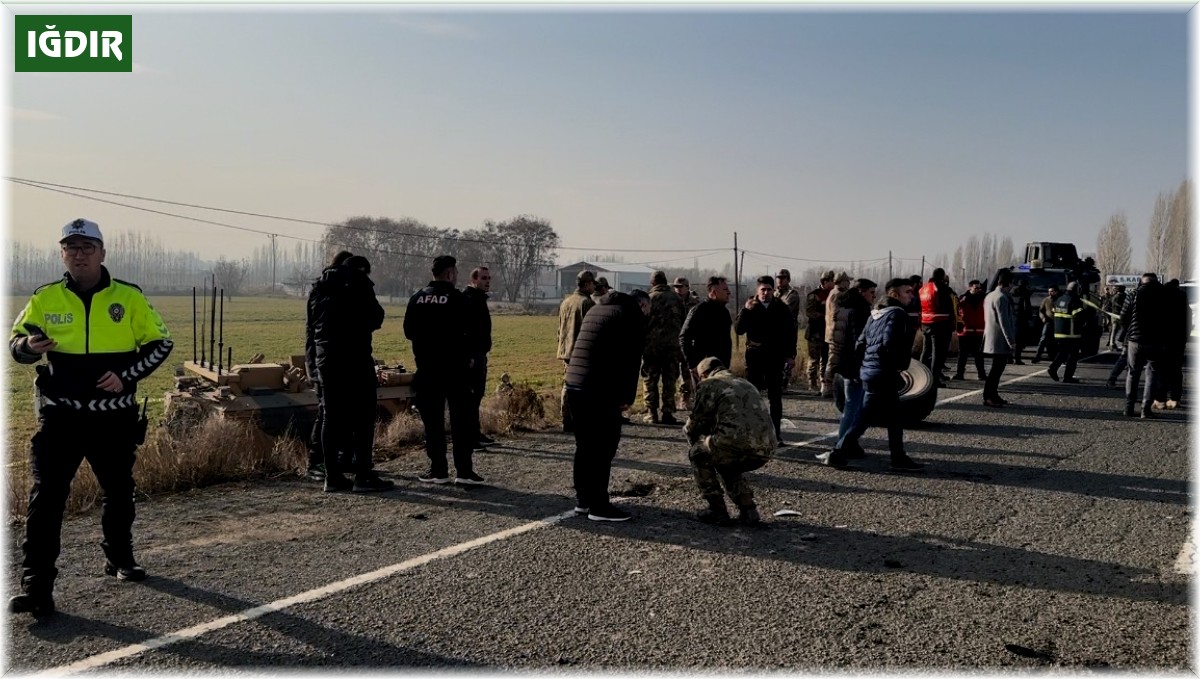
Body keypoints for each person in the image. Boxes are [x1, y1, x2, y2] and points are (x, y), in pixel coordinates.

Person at [9, 218, 174, 616]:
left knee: (119, 491)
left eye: (87, 247)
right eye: (71, 248)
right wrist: (30, 345)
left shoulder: (129, 298)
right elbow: (16, 344)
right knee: (46, 498)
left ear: (102, 253)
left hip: (112, 420)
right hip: (60, 419)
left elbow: (160, 342)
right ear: (63, 254)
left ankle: (119, 556)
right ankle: (36, 586)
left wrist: (126, 376)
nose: (79, 255)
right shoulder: (46, 298)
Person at [565, 289, 650, 522]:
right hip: (599, 389)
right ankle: (599, 507)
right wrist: (627, 398)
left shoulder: (597, 309)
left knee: (585, 446)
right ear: (642, 306)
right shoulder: (631, 316)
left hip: (574, 384)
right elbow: (631, 360)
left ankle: (583, 501)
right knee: (603, 448)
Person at [310, 255, 393, 493]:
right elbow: (376, 318)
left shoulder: (320, 287)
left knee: (331, 417)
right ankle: (363, 476)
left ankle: (332, 477)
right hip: (355, 359)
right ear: (362, 270)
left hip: (326, 360)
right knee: (364, 417)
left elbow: (313, 325)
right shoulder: (360, 283)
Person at [405, 255, 483, 485]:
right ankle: (464, 471)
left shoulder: (417, 298)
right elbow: (472, 332)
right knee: (461, 421)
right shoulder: (458, 299)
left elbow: (409, 331)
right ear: (449, 274)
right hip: (456, 370)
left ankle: (438, 469)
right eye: (456, 273)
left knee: (433, 423)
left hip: (427, 370)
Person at [836, 278, 925, 472]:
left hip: (871, 372)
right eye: (907, 291)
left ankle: (898, 457)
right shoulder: (898, 314)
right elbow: (890, 343)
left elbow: (860, 344)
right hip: (884, 373)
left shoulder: (875, 315)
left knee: (891, 417)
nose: (912, 294)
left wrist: (865, 366)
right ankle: (839, 452)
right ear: (895, 294)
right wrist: (900, 365)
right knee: (867, 418)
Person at [684, 357, 776, 527]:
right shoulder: (744, 383)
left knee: (699, 454)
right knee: (724, 457)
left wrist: (694, 442)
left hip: (738, 445)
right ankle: (748, 509)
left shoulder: (709, 384)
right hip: (766, 448)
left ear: (703, 374)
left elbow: (694, 424)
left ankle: (717, 511)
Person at [816, 278, 877, 468]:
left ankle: (846, 442)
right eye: (871, 293)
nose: (873, 296)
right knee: (855, 407)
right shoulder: (860, 310)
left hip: (842, 362)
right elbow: (860, 340)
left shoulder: (841, 306)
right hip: (855, 364)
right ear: (861, 292)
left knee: (851, 405)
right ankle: (844, 443)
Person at [304, 249, 354, 482]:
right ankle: (317, 462)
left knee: (335, 413)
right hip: (322, 360)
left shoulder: (321, 288)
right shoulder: (328, 290)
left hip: (319, 359)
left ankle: (336, 459)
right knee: (326, 413)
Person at [736, 276, 798, 441]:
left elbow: (791, 333)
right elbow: (738, 330)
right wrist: (745, 311)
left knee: (775, 397)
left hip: (775, 356)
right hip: (754, 356)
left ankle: (775, 433)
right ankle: (753, 432)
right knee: (753, 395)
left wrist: (790, 355)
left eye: (769, 289)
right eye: (762, 289)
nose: (766, 292)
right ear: (757, 291)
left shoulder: (781, 308)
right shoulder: (751, 306)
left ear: (773, 290)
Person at [1119, 273, 1167, 418]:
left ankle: (1129, 407)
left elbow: (1123, 317)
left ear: (1141, 282)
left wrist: (1129, 331)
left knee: (1133, 373)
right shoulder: (1164, 296)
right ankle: (1146, 409)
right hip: (1156, 340)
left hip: (1135, 340)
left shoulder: (1133, 294)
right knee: (1152, 373)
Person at [641, 271, 685, 424]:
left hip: (651, 348)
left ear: (653, 283)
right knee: (669, 381)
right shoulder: (677, 299)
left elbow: (642, 323)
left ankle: (651, 412)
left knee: (650, 380)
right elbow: (684, 322)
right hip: (672, 347)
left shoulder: (648, 299)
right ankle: (667, 413)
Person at [680, 276, 733, 395]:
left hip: (722, 367)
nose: (729, 292)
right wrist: (692, 364)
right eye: (725, 289)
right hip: (703, 368)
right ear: (714, 292)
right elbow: (684, 337)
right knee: (704, 403)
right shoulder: (699, 310)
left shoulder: (724, 312)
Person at [557, 270, 596, 432]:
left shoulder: (566, 301)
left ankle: (566, 419)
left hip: (567, 350)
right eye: (592, 283)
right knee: (585, 387)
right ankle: (581, 419)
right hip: (581, 351)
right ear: (587, 284)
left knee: (568, 385)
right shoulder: (586, 303)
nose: (594, 286)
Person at [464, 266, 494, 448]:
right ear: (474, 280)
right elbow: (465, 330)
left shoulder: (479, 299)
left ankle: (475, 433)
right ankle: (470, 436)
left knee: (477, 395)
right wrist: (468, 355)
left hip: (480, 353)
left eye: (489, 278)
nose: (487, 281)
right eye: (483, 278)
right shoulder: (469, 299)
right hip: (472, 356)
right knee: (470, 397)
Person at [982, 271, 1017, 407]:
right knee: (996, 371)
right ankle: (988, 396)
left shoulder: (990, 295)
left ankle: (993, 394)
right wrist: (1011, 341)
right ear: (1008, 283)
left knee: (996, 369)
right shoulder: (1002, 298)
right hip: (1000, 339)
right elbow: (1005, 322)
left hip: (991, 337)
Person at [1048, 281, 1095, 384]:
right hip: (1071, 333)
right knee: (1073, 356)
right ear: (1077, 290)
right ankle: (1067, 377)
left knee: (1063, 352)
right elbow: (1078, 317)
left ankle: (1053, 368)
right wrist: (1088, 312)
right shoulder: (1074, 300)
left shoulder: (1059, 299)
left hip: (1059, 332)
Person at [918, 268, 955, 386]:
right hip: (940, 324)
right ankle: (934, 380)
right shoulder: (942, 288)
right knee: (937, 354)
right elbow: (951, 304)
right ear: (943, 276)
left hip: (925, 323)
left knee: (925, 351)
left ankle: (921, 376)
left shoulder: (923, 288)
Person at [1158, 279, 1191, 409]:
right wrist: (1185, 336)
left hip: (1161, 338)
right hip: (1178, 339)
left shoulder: (1160, 296)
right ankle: (1175, 398)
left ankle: (1160, 399)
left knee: (1160, 369)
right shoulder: (1182, 296)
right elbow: (1188, 318)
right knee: (1176, 370)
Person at [804, 270, 836, 395]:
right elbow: (809, 312)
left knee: (826, 359)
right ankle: (812, 384)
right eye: (832, 281)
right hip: (815, 333)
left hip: (827, 333)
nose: (834, 283)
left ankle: (825, 384)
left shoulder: (834, 295)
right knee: (814, 360)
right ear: (825, 281)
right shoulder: (814, 295)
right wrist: (826, 316)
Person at [672, 277, 701, 409]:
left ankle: (685, 399)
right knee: (672, 372)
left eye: (680, 286)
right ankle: (670, 399)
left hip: (688, 341)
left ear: (687, 287)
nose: (677, 289)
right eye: (676, 287)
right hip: (673, 339)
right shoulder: (671, 301)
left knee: (686, 372)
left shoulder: (695, 302)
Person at [953, 279, 987, 381]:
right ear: (970, 287)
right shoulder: (962, 299)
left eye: (979, 288)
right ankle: (959, 374)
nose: (978, 290)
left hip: (979, 331)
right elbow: (957, 313)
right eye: (976, 288)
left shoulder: (984, 299)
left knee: (979, 355)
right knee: (962, 354)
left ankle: (981, 374)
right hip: (965, 331)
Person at [1032, 284, 1060, 363]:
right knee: (1043, 340)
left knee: (1058, 341)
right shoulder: (1046, 300)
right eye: (1049, 291)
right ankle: (1037, 357)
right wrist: (1043, 318)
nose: (1050, 293)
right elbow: (1041, 310)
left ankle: (1057, 357)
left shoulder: (1060, 300)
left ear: (1056, 292)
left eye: (1052, 291)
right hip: (1049, 322)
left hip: (1058, 323)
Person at [1011, 278, 1033, 364]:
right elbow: (1027, 308)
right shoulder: (1024, 296)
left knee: (1012, 340)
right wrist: (1029, 318)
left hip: (1013, 320)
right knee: (1019, 342)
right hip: (1021, 321)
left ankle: (1009, 358)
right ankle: (1017, 358)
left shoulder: (1011, 294)